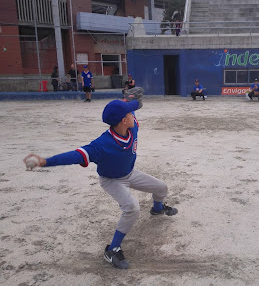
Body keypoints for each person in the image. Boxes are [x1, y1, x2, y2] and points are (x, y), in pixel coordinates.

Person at [23, 98, 178, 270]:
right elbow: (74, 156)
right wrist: (45, 162)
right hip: (111, 180)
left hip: (130, 173)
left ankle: (157, 209)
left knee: (161, 186)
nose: (134, 115)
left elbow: (132, 107)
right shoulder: (101, 145)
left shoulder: (131, 128)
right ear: (123, 121)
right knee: (132, 207)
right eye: (130, 113)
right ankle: (112, 250)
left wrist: (132, 100)